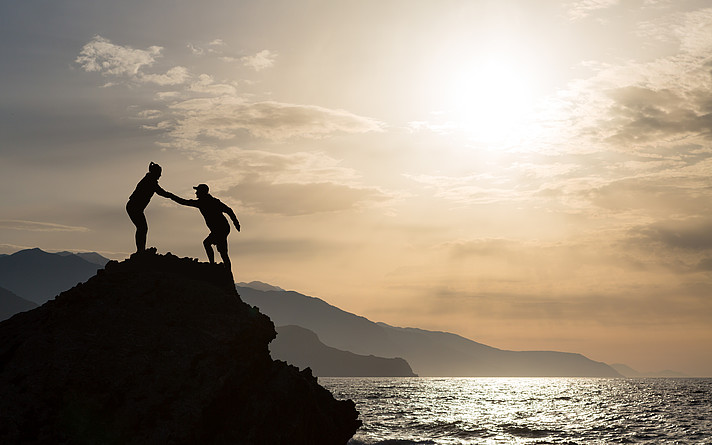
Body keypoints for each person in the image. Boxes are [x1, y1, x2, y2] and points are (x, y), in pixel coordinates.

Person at [166, 184, 240, 269]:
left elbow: (229, 210)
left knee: (211, 246)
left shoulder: (208, 202)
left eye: (197, 191)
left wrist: (236, 223)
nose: (196, 193)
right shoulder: (208, 202)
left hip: (221, 229)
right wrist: (236, 223)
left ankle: (215, 266)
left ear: (202, 192)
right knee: (218, 249)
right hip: (221, 228)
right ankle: (218, 266)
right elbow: (184, 202)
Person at [126, 162, 172, 253]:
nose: (160, 176)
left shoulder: (149, 180)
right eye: (159, 173)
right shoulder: (150, 181)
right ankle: (140, 250)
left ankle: (140, 250)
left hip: (135, 207)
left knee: (142, 228)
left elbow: (161, 192)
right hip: (134, 207)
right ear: (155, 173)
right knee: (142, 228)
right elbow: (161, 192)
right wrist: (172, 196)